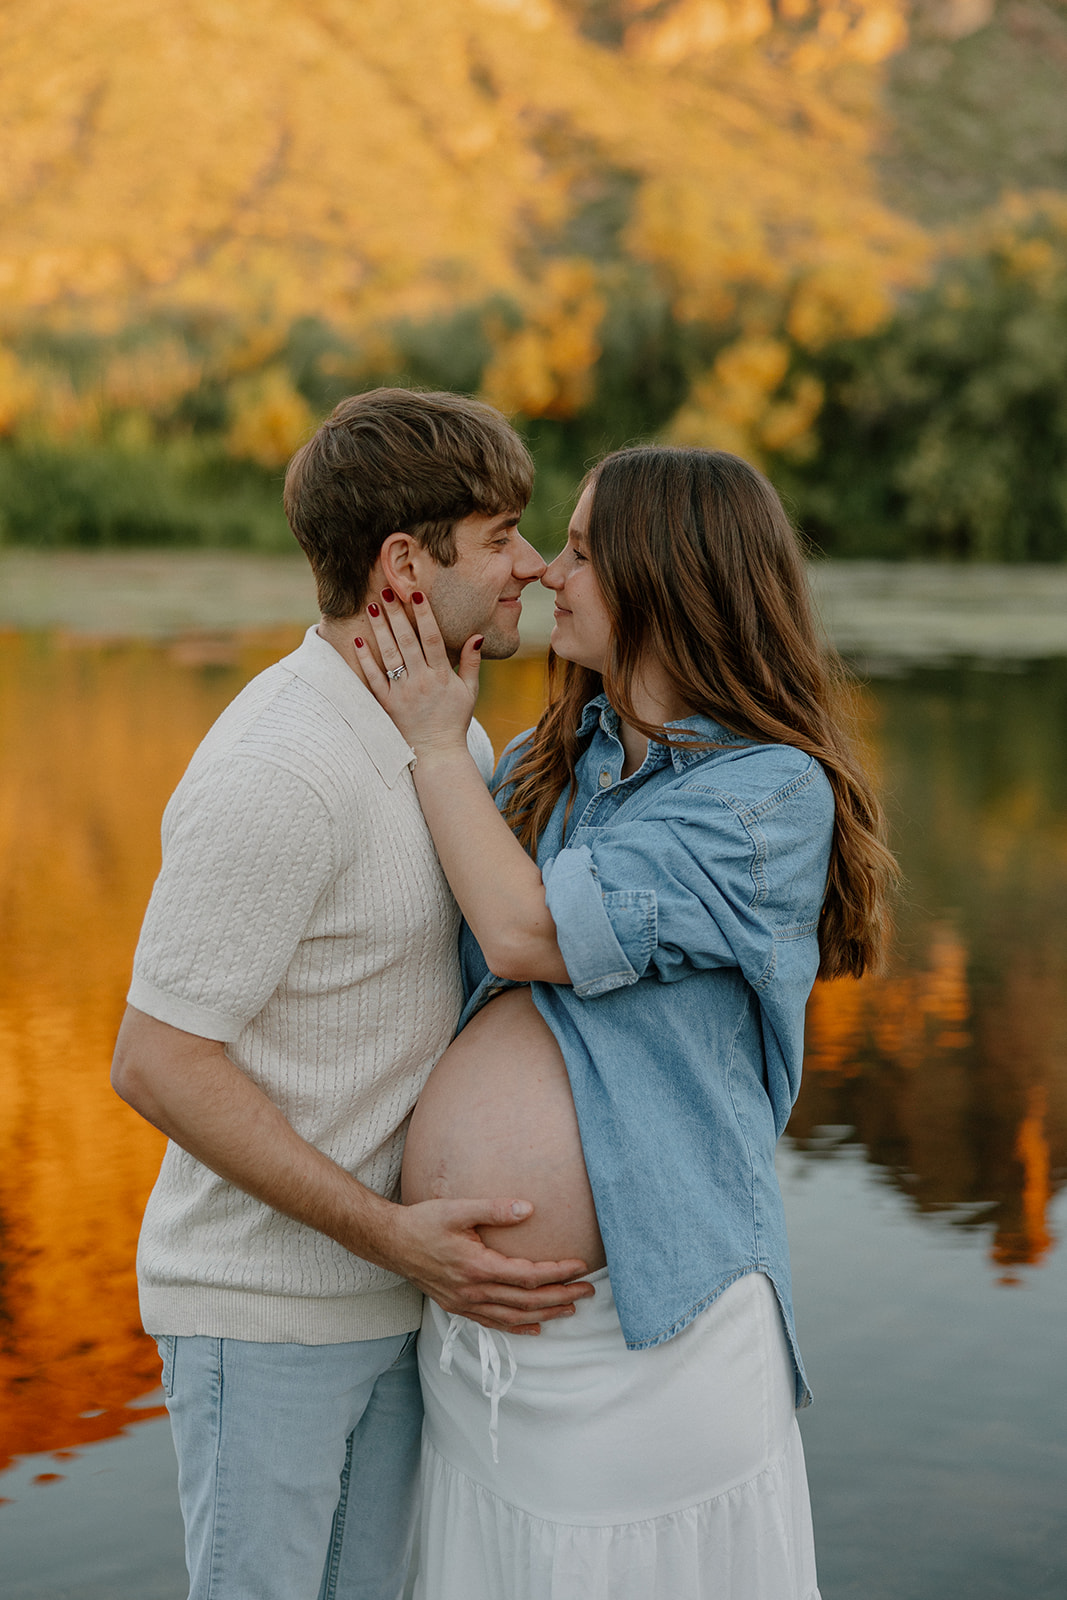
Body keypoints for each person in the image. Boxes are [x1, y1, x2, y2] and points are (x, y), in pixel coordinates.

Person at [358, 444, 897, 1599]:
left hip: (651, 1347)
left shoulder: (766, 796)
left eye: (588, 550)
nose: (551, 569)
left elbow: (524, 936)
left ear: (670, 577)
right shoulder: (536, 765)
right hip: (477, 1350)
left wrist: (423, 741)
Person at [110, 388, 595, 1600]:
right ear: (402, 564)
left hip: (395, 1306)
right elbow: (157, 1062)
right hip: (264, 1321)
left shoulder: (450, 742)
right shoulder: (280, 767)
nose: (530, 567)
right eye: (497, 538)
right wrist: (390, 1235)